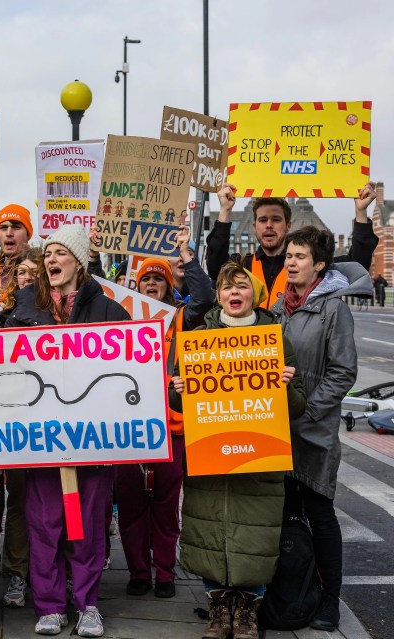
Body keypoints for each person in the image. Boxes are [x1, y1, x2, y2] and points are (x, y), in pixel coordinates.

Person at [2, 225, 128, 637]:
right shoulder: (22, 309)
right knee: (45, 525)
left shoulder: (109, 310)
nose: (51, 260)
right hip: (39, 443)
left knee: (87, 526)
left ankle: (88, 604)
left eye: (60, 253)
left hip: (91, 443)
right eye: (47, 254)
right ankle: (51, 605)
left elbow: (133, 363)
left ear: (78, 261)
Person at [171, 261, 307, 639]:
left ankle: (247, 611)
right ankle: (218, 609)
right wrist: (178, 390)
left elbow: (297, 408)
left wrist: (284, 386)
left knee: (255, 539)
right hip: (211, 461)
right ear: (218, 295)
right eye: (227, 287)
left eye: (242, 287)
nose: (235, 293)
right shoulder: (199, 338)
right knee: (210, 536)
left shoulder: (276, 339)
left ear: (255, 295)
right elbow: (181, 404)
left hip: (259, 461)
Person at [270, 226, 372, 632]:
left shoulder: (333, 309)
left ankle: (330, 599)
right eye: (289, 257)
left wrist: (307, 410)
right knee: (282, 515)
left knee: (320, 514)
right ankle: (289, 594)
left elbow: (343, 371)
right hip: (277, 431)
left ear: (319, 266)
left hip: (312, 431)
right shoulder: (278, 308)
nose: (290, 263)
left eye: (299, 257)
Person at [115, 227, 213, 600]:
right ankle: (139, 573)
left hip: (171, 432)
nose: (152, 284)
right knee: (131, 509)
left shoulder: (181, 318)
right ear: (137, 286)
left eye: (159, 279)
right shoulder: (121, 317)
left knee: (166, 510)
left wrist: (187, 254)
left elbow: (204, 296)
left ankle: (165, 574)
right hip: (128, 432)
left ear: (169, 285)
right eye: (146, 279)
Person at [206, 182, 378, 308]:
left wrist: (361, 212)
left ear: (288, 225)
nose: (268, 225)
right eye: (263, 220)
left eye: (276, 220)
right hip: (257, 353)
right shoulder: (242, 265)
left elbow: (357, 264)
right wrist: (225, 211)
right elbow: (215, 267)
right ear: (254, 227)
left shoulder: (310, 266)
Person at [0, 246, 41, 609]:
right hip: (17, 425)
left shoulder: (57, 314)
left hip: (53, 425)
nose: (26, 277)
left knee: (52, 505)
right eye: (21, 272)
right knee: (19, 504)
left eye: (32, 272)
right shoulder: (3, 317)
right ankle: (17, 575)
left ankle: (51, 573)